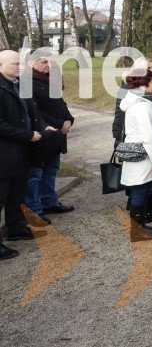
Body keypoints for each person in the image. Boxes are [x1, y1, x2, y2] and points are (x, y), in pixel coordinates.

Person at [0, 50, 58, 259]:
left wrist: (44, 127)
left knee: (16, 193)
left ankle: (16, 229)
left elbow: (32, 113)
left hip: (21, 150)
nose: (20, 67)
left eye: (21, 63)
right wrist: (27, 135)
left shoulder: (17, 85)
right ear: (0, 65)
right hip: (5, 152)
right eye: (15, 64)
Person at [113, 58, 152, 224]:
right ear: (144, 84)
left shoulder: (141, 101)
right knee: (141, 191)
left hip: (144, 154)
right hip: (145, 155)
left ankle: (142, 223)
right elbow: (149, 137)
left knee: (143, 189)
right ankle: (138, 230)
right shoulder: (143, 106)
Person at [24, 57, 74, 224]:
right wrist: (60, 124)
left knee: (52, 169)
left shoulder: (50, 80)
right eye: (43, 62)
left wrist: (68, 119)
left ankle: (49, 201)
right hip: (42, 133)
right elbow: (35, 111)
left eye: (49, 62)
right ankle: (35, 209)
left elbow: (61, 103)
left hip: (57, 134)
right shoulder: (27, 82)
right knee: (36, 173)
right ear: (31, 63)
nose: (48, 65)